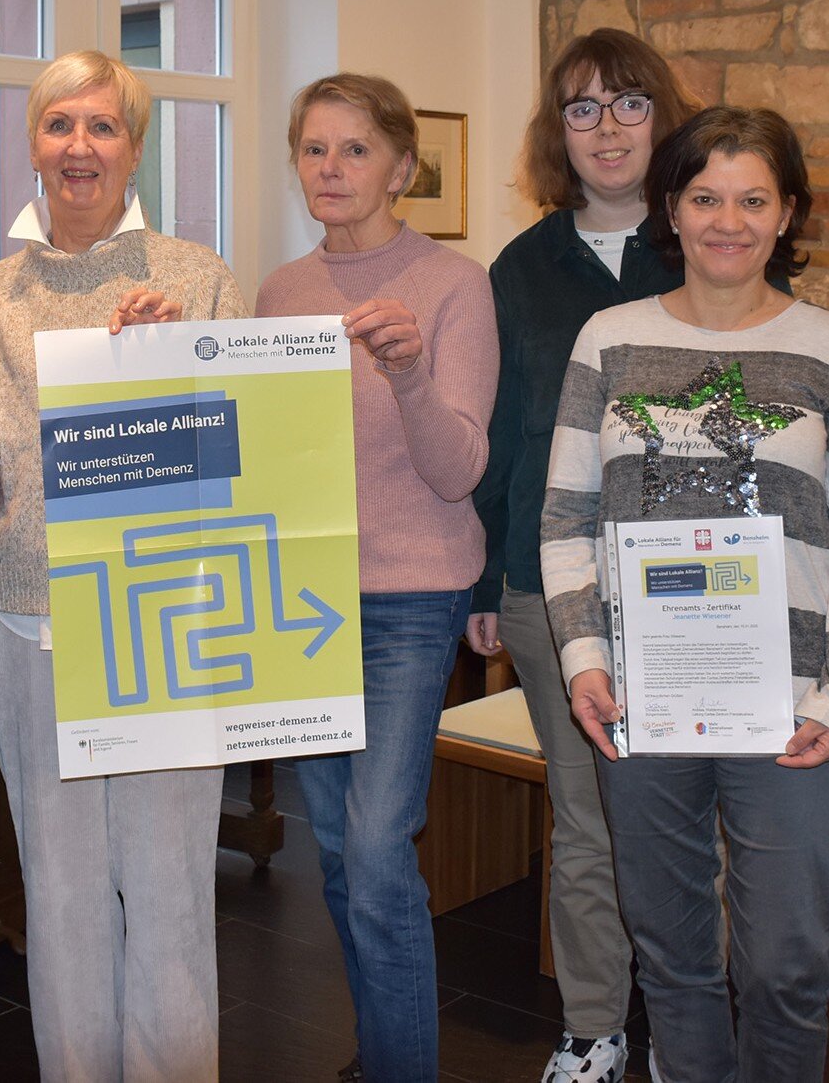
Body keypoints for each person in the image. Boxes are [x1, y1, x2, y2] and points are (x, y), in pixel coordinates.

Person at [541, 106, 829, 1083]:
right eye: (703, 197)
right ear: (670, 208)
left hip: (792, 710)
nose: (725, 220)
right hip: (644, 700)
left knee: (782, 962)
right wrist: (584, 661)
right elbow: (566, 523)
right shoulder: (608, 340)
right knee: (672, 958)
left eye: (750, 199)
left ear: (786, 215)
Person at [0, 50, 243, 1082]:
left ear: (134, 146)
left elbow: (233, 458)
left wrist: (163, 370)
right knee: (63, 891)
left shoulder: (196, 277)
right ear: (32, 142)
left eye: (102, 126)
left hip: (165, 614)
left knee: (171, 887)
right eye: (58, 124)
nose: (78, 147)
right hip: (29, 619)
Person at [468, 27, 732, 1083]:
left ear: (661, 119)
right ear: (556, 131)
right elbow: (501, 427)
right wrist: (489, 577)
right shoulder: (520, 267)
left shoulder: (704, 246)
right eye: (582, 109)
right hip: (550, 583)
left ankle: (683, 1029)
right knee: (581, 819)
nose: (607, 128)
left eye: (627, 104)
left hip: (691, 587)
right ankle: (592, 1028)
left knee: (689, 825)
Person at [257, 73, 498, 1083]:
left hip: (411, 592)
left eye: (353, 150)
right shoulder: (278, 291)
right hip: (303, 596)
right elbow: (265, 456)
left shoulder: (453, 285)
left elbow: (457, 474)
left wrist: (406, 371)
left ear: (400, 167)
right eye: (313, 149)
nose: (329, 168)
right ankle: (382, 1048)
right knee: (338, 854)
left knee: (375, 841)